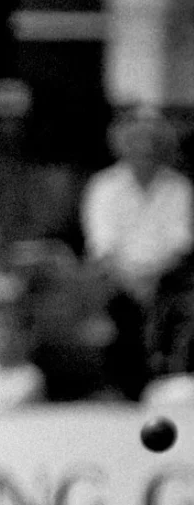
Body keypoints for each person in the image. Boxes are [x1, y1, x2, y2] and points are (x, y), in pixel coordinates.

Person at [80, 106, 193, 399]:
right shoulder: (102, 186)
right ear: (122, 145)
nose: (145, 148)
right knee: (119, 309)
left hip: (166, 277)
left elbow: (181, 245)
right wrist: (131, 281)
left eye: (152, 141)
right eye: (136, 141)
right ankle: (121, 390)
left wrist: (150, 279)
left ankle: (169, 387)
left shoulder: (180, 187)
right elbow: (102, 245)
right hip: (115, 277)